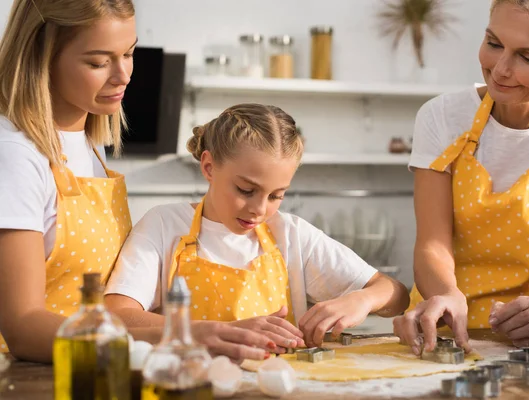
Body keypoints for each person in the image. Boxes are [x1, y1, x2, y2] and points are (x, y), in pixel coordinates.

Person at [0, 0, 273, 363]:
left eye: (129, 54)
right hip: (32, 378)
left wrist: (195, 330)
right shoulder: (15, 155)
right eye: (98, 62)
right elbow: (24, 328)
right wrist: (182, 336)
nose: (123, 74)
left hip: (99, 368)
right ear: (40, 56)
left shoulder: (87, 148)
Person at [105, 103, 410, 353]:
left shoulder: (291, 235)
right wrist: (219, 331)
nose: (260, 209)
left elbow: (395, 295)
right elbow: (116, 316)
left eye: (276, 195)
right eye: (246, 190)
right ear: (209, 167)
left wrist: (362, 299)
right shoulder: (163, 225)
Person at [394, 0, 529, 356]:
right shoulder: (442, 117)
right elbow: (432, 244)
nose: (501, 69)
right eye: (493, 43)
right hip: (437, 327)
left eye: (528, 58)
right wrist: (445, 294)